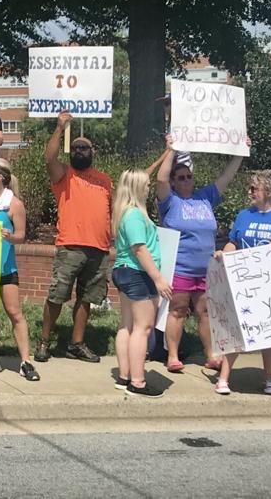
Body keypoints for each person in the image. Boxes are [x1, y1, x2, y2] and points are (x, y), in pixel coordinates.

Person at [155, 134, 244, 373]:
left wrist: (239, 154)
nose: (186, 180)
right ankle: (173, 356)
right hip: (181, 268)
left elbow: (226, 178)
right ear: (174, 182)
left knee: (205, 312)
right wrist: (171, 150)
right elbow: (160, 178)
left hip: (206, 269)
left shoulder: (204, 198)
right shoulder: (170, 202)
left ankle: (211, 354)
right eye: (181, 177)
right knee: (178, 310)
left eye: (189, 177)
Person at [215, 171, 271, 396]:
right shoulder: (243, 216)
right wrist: (224, 253)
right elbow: (234, 242)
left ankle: (268, 379)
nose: (249, 192)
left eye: (254, 188)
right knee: (236, 330)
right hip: (244, 283)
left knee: (270, 331)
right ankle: (223, 378)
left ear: (268, 191)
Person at [35, 110, 112, 364]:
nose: (80, 151)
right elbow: (49, 158)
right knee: (57, 296)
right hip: (70, 246)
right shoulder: (64, 175)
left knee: (87, 298)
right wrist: (60, 127)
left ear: (93, 152)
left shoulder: (105, 180)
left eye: (84, 148)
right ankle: (44, 341)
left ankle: (77, 344)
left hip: (98, 249)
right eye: (76, 148)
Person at [0, 158, 39, 381]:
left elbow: (21, 235)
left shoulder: (14, 204)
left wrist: (10, 237)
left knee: (14, 312)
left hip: (6, 267)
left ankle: (26, 361)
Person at [112, 169, 170, 397]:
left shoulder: (124, 213)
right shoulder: (135, 215)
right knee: (142, 328)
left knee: (127, 325)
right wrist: (158, 278)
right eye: (145, 185)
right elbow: (140, 249)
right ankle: (137, 381)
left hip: (124, 270)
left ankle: (124, 376)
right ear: (137, 188)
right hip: (137, 273)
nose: (149, 188)